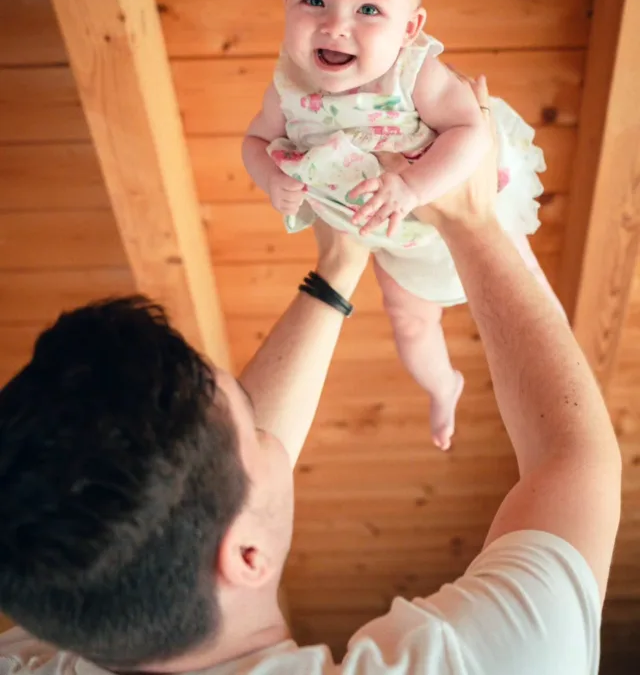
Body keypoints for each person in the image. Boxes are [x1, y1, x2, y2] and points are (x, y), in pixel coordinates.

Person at [0, 76, 621, 674]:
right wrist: (478, 221)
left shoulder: (52, 606)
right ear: (247, 556)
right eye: (253, 424)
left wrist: (340, 264)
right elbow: (572, 462)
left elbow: (197, 490)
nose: (270, 427)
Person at [242, 0, 557, 451]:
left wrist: (411, 184)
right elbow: (255, 142)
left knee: (524, 291)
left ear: (410, 27)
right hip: (396, 245)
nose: (336, 26)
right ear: (287, 1)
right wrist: (271, 179)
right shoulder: (287, 88)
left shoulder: (412, 75)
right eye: (314, 0)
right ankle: (444, 387)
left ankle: (559, 370)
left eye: (368, 10)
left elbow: (470, 133)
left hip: (468, 208)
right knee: (410, 327)